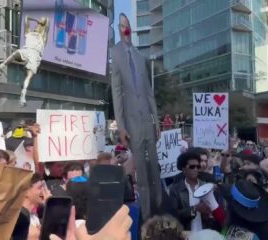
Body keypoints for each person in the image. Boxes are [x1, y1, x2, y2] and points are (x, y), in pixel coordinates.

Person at [111, 12, 162, 219]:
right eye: (121, 25)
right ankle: (147, 215)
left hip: (147, 121)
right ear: (119, 29)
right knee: (140, 169)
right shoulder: (115, 53)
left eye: (127, 24)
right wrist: (121, 126)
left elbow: (149, 93)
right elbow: (116, 93)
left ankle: (159, 209)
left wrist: (156, 121)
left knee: (155, 169)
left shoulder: (141, 57)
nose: (125, 28)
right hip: (131, 124)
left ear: (130, 27)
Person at [0, 16, 50, 106]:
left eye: (39, 26)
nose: (37, 27)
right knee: (15, 53)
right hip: (26, 51)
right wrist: (36, 20)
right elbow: (26, 18)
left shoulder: (43, 37)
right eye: (36, 26)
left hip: (35, 56)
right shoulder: (28, 33)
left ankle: (23, 94)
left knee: (29, 76)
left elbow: (47, 23)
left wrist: (42, 22)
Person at [169, 152, 223, 232]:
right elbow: (173, 216)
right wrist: (194, 209)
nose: (195, 169)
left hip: (205, 234)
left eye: (197, 166)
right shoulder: (175, 189)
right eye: (192, 167)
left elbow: (217, 213)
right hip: (186, 234)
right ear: (183, 169)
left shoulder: (207, 187)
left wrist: (209, 214)